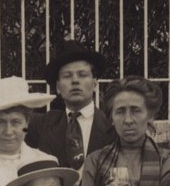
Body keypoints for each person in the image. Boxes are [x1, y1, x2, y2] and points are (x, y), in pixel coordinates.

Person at [24, 39, 113, 171]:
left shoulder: (112, 126)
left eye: (82, 75)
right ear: (58, 87)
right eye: (67, 76)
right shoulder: (41, 125)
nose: (75, 81)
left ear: (95, 84)